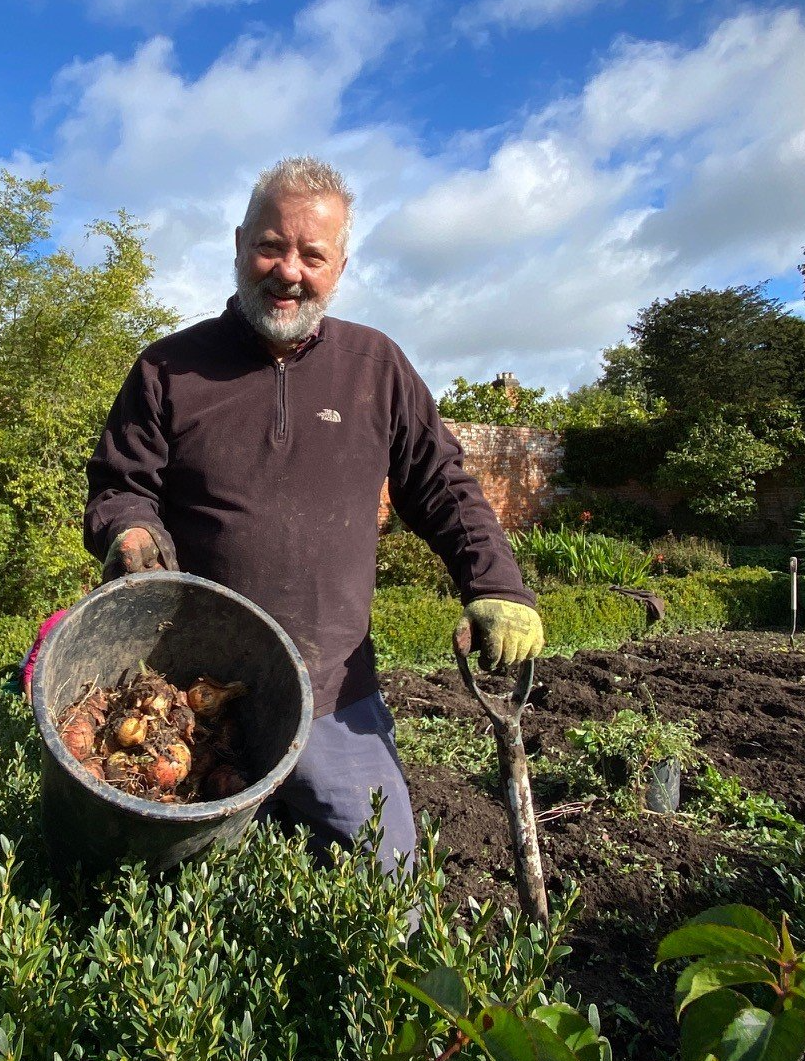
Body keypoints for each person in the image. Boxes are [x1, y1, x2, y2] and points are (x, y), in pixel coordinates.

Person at [84, 156, 543, 874]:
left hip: (334, 694)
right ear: (239, 245)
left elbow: (443, 485)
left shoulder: (376, 367)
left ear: (341, 265)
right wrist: (131, 531)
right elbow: (120, 483)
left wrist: (498, 587)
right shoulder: (168, 370)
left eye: (312, 254)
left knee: (386, 887)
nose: (288, 270)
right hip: (189, 701)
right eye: (271, 245)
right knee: (169, 905)